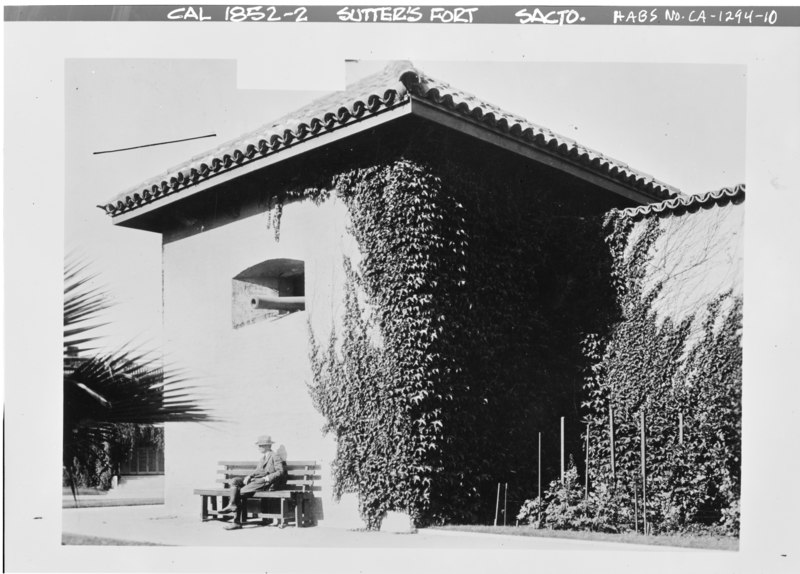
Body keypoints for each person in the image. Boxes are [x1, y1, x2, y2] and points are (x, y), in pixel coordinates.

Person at [220, 435, 286, 530]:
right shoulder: (263, 458)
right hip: (255, 480)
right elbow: (257, 471)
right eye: (258, 445)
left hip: (265, 483)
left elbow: (280, 472)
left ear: (268, 446)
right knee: (234, 481)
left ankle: (236, 522)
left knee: (240, 492)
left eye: (261, 445)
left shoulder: (274, 456)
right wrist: (249, 476)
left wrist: (267, 478)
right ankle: (232, 504)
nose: (258, 448)